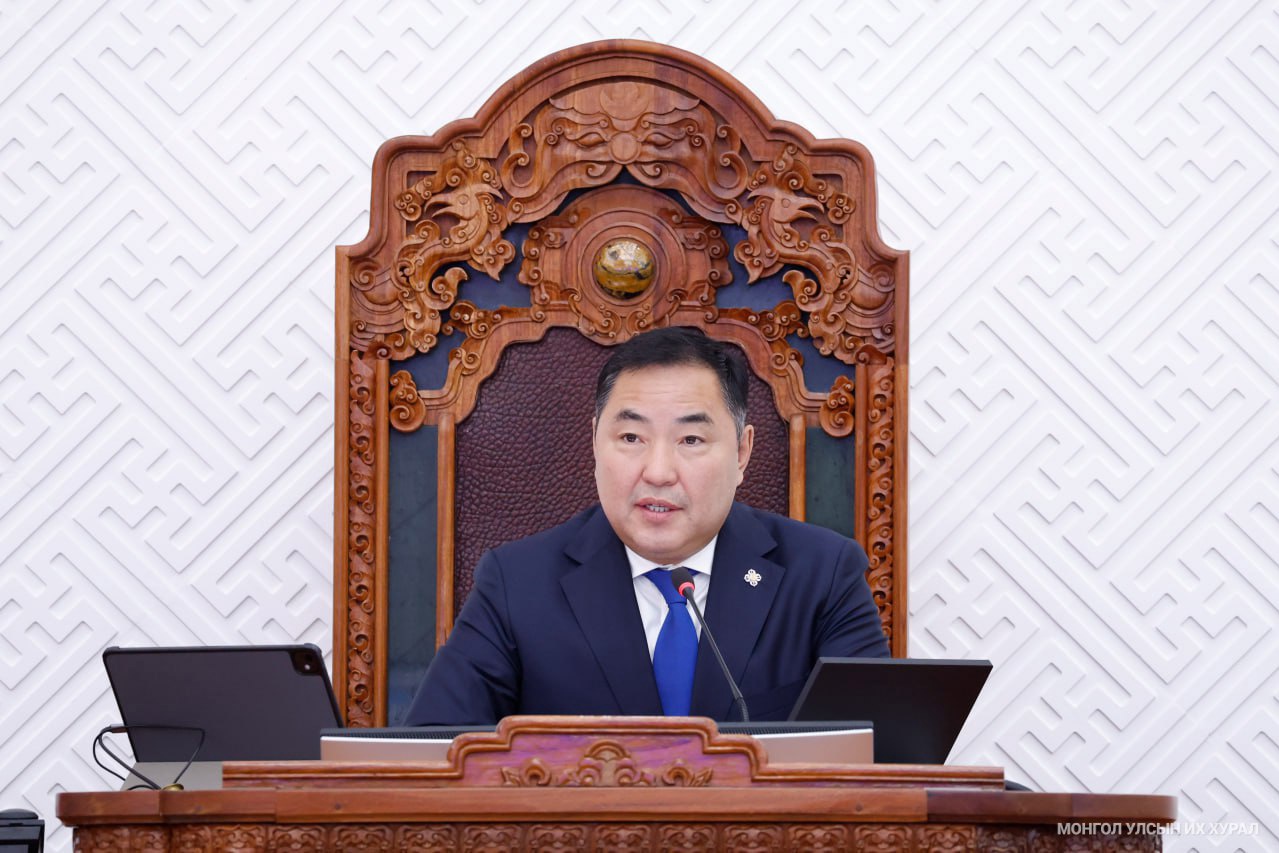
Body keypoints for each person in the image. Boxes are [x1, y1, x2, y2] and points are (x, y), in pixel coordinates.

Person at [404, 327, 889, 725]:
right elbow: (430, 758)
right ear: (595, 442)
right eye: (631, 437)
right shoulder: (516, 585)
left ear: (742, 452)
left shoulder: (823, 576)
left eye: (691, 439)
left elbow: (879, 760)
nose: (658, 472)